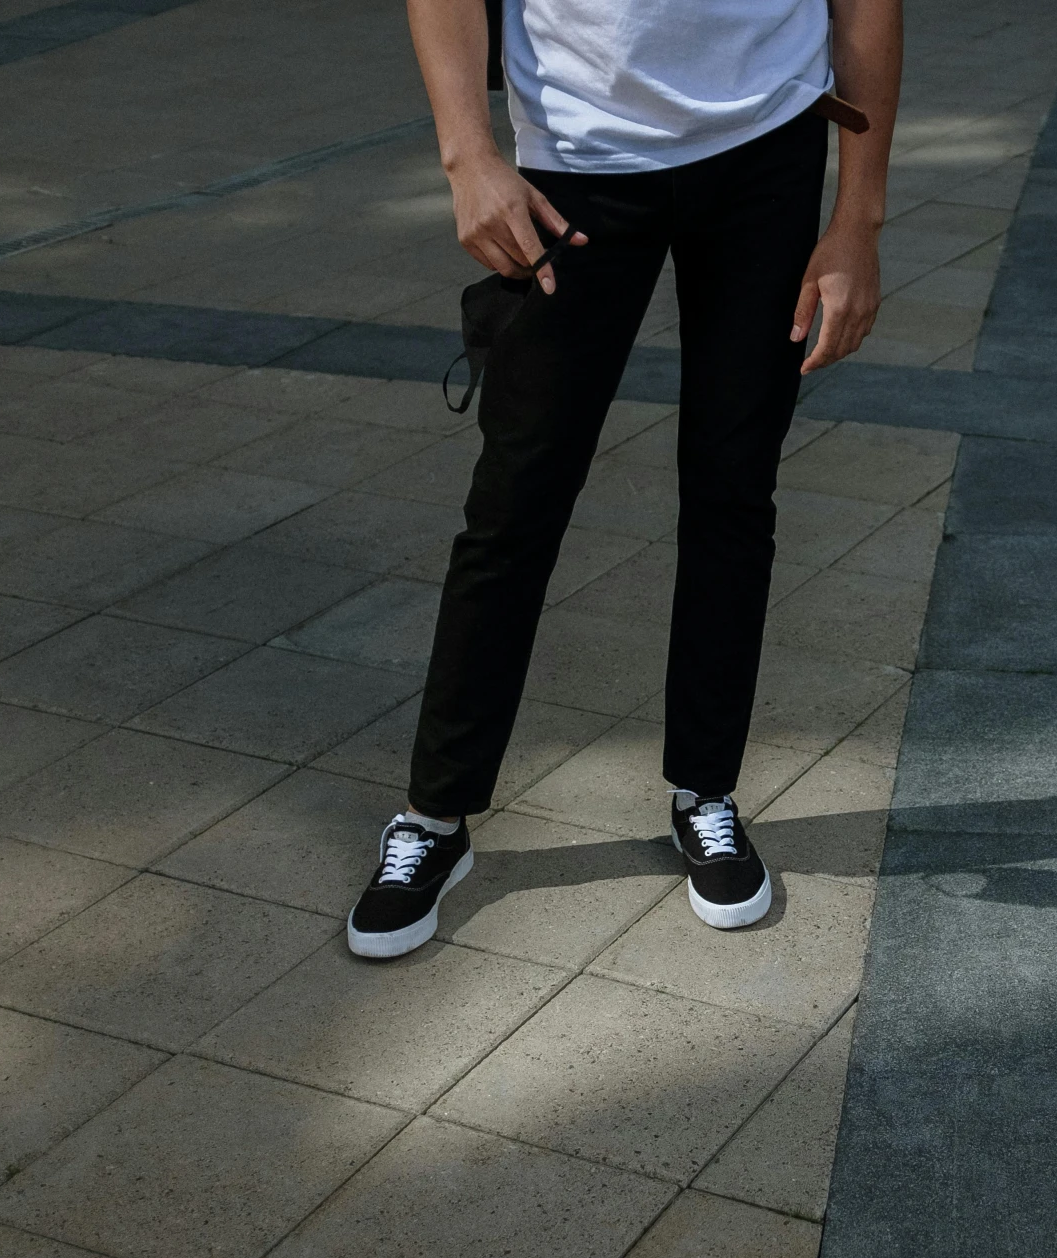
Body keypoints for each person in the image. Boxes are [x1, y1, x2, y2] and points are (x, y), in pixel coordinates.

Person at [346, 0, 902, 958]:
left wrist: (858, 217)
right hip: (574, 155)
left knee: (734, 492)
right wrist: (467, 154)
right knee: (515, 502)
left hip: (765, 147)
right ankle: (434, 816)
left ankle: (706, 788)